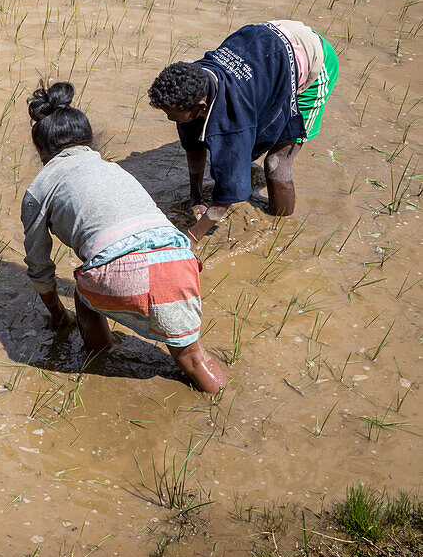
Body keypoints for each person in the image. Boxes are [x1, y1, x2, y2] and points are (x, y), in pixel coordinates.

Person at [21, 83, 227, 393]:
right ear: (88, 140)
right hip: (179, 258)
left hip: (121, 270)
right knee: (193, 358)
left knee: (83, 295)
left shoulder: (41, 187)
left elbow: (39, 265)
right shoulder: (113, 170)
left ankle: (100, 356)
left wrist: (58, 316)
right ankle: (223, 408)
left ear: (41, 151)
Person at [148, 20, 339, 241]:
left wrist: (190, 238)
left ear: (200, 107)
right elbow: (194, 145)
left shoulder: (233, 124)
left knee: (277, 162)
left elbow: (225, 198)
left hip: (312, 57)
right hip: (267, 46)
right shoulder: (194, 82)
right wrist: (196, 198)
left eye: (172, 115)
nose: (170, 119)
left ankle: (282, 229)